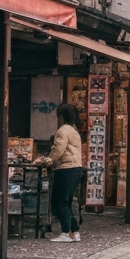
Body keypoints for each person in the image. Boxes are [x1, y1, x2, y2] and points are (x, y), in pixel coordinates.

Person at [47, 103, 85, 242]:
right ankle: (74, 231)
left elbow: (58, 149)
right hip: (75, 168)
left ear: (61, 116)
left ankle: (65, 232)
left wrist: (49, 160)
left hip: (65, 169)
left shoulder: (63, 130)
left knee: (60, 202)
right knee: (67, 201)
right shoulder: (74, 130)